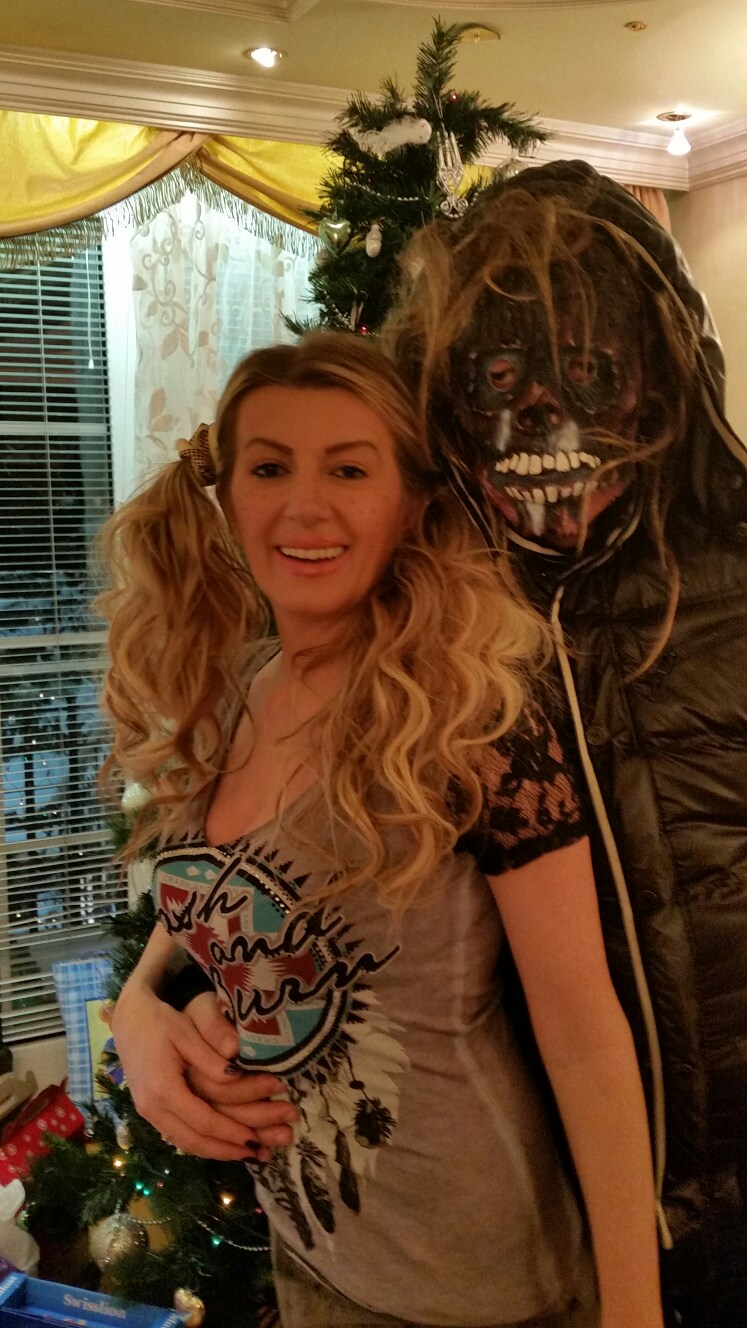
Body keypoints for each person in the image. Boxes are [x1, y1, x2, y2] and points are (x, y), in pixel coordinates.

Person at [100, 332, 663, 1328]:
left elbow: (583, 1033)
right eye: (270, 467)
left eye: (348, 469)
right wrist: (139, 1013)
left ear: (410, 503)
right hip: (310, 1253)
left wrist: (633, 1313)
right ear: (226, 495)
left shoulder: (471, 725)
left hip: (475, 1285)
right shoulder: (233, 694)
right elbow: (214, 899)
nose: (304, 506)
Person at [385, 160, 747, 1328]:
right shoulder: (415, 623)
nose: (544, 412)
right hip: (536, 1225)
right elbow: (286, 848)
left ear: (658, 375)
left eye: (589, 368)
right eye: (500, 377)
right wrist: (168, 992)